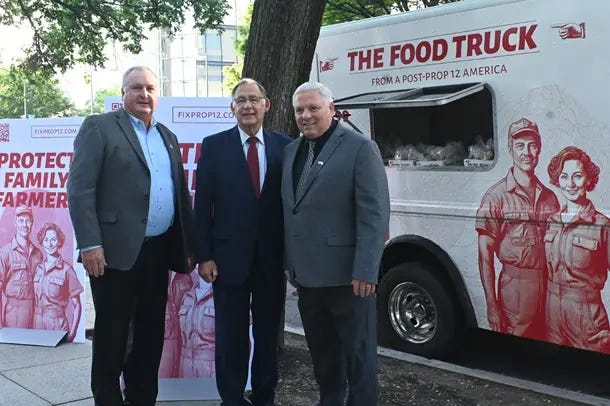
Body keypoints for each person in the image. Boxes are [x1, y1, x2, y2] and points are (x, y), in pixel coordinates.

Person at [67, 66, 195, 406]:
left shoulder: (167, 135)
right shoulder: (100, 128)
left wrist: (189, 246)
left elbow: (179, 194)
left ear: (158, 94)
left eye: (150, 88)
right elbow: (80, 190)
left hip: (157, 251)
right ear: (123, 93)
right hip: (112, 253)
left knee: (150, 334)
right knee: (112, 334)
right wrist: (91, 244)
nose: (144, 94)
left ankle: (142, 399)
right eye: (136, 88)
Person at [282, 81, 390, 406]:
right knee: (324, 360)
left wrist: (366, 271)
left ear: (331, 109)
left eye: (313, 108)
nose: (306, 115)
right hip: (308, 279)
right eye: (300, 110)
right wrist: (289, 263)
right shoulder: (291, 151)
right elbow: (292, 212)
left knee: (359, 361)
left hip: (350, 280)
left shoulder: (360, 148)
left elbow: (374, 215)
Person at [194, 78, 292, 406]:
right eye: (241, 100)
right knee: (230, 337)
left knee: (266, 338)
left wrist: (292, 260)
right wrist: (204, 256)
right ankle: (231, 399)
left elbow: (293, 208)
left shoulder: (286, 147)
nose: (247, 105)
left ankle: (265, 397)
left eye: (254, 99)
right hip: (226, 262)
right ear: (232, 108)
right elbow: (202, 206)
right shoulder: (213, 146)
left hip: (271, 262)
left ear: (267, 104)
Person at [476, 117, 559, 340]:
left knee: (546, 344)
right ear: (510, 149)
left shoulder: (550, 198)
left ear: (539, 149)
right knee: (515, 346)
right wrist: (491, 304)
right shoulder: (496, 197)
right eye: (520, 145)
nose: (527, 153)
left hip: (548, 289)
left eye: (532, 145)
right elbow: (485, 255)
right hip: (515, 289)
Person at [544, 146, 610, 352]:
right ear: (557, 180)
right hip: (552, 313)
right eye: (564, 177)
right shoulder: (551, 221)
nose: (570, 184)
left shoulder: (602, 225)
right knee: (557, 369)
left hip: (587, 320)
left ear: (588, 180)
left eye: (577, 176)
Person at [33, 222, 84, 342]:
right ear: (42, 242)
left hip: (57, 325)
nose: (49, 244)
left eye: (53, 239)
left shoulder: (67, 270)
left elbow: (77, 305)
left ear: (59, 242)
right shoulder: (38, 268)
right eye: (46, 240)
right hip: (36, 325)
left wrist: (73, 333)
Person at [0, 205, 43, 328]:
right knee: (16, 346)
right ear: (15, 223)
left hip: (36, 311)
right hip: (15, 311)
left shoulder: (37, 253)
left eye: (28, 221)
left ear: (32, 224)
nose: (25, 225)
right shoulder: (5, 253)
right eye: (21, 221)